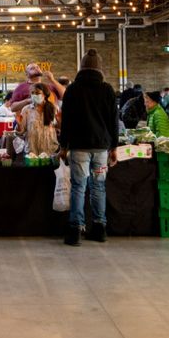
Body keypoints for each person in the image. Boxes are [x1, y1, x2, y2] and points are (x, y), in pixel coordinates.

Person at [59, 50, 119, 246]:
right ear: (99, 68)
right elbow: (113, 121)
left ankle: (75, 230)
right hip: (101, 147)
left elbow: (66, 121)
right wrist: (114, 146)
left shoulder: (73, 90)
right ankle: (100, 228)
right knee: (98, 187)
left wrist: (63, 145)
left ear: (82, 67)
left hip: (79, 146)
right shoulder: (107, 89)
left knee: (78, 186)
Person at [17, 82, 61, 157]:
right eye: (32, 93)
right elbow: (21, 132)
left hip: (50, 150)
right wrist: (19, 124)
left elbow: (58, 128)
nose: (34, 95)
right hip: (32, 152)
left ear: (45, 94)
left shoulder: (53, 108)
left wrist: (60, 122)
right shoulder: (26, 110)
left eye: (37, 93)